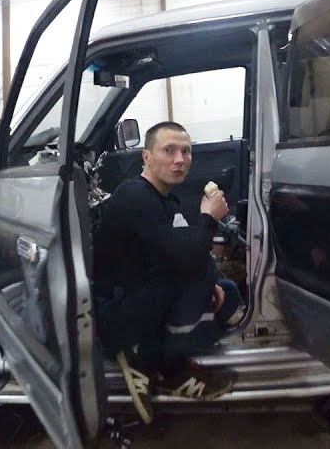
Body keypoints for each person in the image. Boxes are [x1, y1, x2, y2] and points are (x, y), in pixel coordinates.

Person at [94, 121, 241, 422]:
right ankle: (159, 364)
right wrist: (209, 217)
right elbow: (186, 259)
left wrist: (211, 281)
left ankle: (160, 352)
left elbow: (180, 249)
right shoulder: (135, 196)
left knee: (230, 292)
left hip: (142, 296)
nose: (180, 160)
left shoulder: (163, 199)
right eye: (169, 150)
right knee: (199, 274)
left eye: (186, 152)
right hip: (117, 315)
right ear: (146, 157)